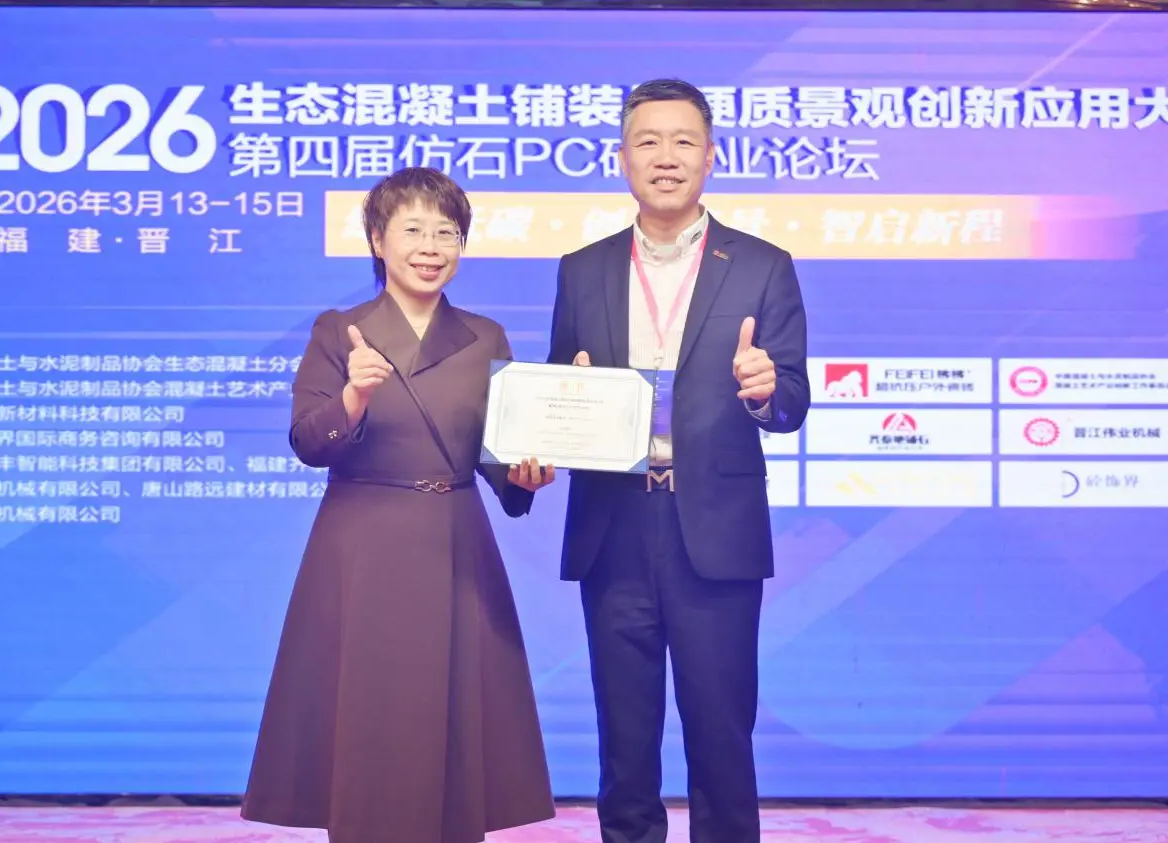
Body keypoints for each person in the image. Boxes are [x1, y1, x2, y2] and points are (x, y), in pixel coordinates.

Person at [241, 167, 557, 843]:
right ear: (378, 241)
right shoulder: (341, 331)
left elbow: (497, 458)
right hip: (362, 545)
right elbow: (308, 442)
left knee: (454, 721)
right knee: (367, 717)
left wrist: (526, 476)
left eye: (447, 232)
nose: (431, 247)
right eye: (413, 230)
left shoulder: (485, 336)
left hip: (455, 541)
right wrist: (354, 396)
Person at [547, 79, 811, 843]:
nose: (666, 157)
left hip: (716, 529)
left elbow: (792, 400)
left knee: (720, 734)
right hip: (614, 526)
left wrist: (766, 390)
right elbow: (560, 384)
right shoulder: (582, 268)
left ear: (711, 157)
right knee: (624, 741)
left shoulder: (763, 265)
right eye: (649, 141)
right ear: (621, 158)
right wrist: (558, 416)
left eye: (684, 141)